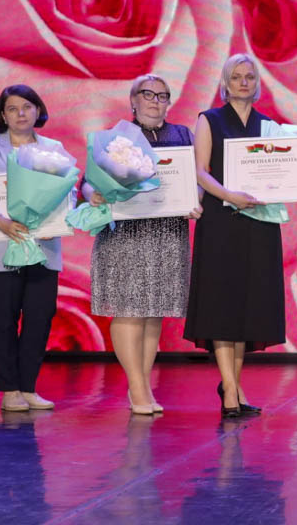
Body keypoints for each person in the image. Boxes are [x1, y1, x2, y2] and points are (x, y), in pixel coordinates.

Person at [84, 74, 201, 415]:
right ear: (133, 100)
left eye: (163, 96)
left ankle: (143, 386)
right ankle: (137, 388)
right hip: (126, 232)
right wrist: (94, 195)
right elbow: (87, 183)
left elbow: (196, 178)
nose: (155, 101)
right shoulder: (115, 137)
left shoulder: (182, 135)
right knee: (129, 311)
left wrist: (195, 200)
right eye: (148, 94)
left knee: (153, 314)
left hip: (168, 232)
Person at [184, 54, 285, 418]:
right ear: (225, 83)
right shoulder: (209, 119)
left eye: (249, 76)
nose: (243, 82)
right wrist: (229, 195)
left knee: (246, 306)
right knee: (222, 304)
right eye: (236, 76)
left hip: (259, 223)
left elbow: (282, 170)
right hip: (221, 222)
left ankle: (234, 385)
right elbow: (200, 171)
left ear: (257, 83)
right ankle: (229, 389)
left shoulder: (269, 126)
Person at [0, 85, 69, 412]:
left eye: (27, 107)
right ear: (3, 116)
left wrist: (57, 219)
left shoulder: (54, 148)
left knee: (40, 317)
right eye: (12, 108)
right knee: (4, 319)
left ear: (38, 110)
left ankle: (28, 387)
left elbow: (68, 192)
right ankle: (9, 390)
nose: (21, 113)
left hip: (43, 246)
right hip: (1, 244)